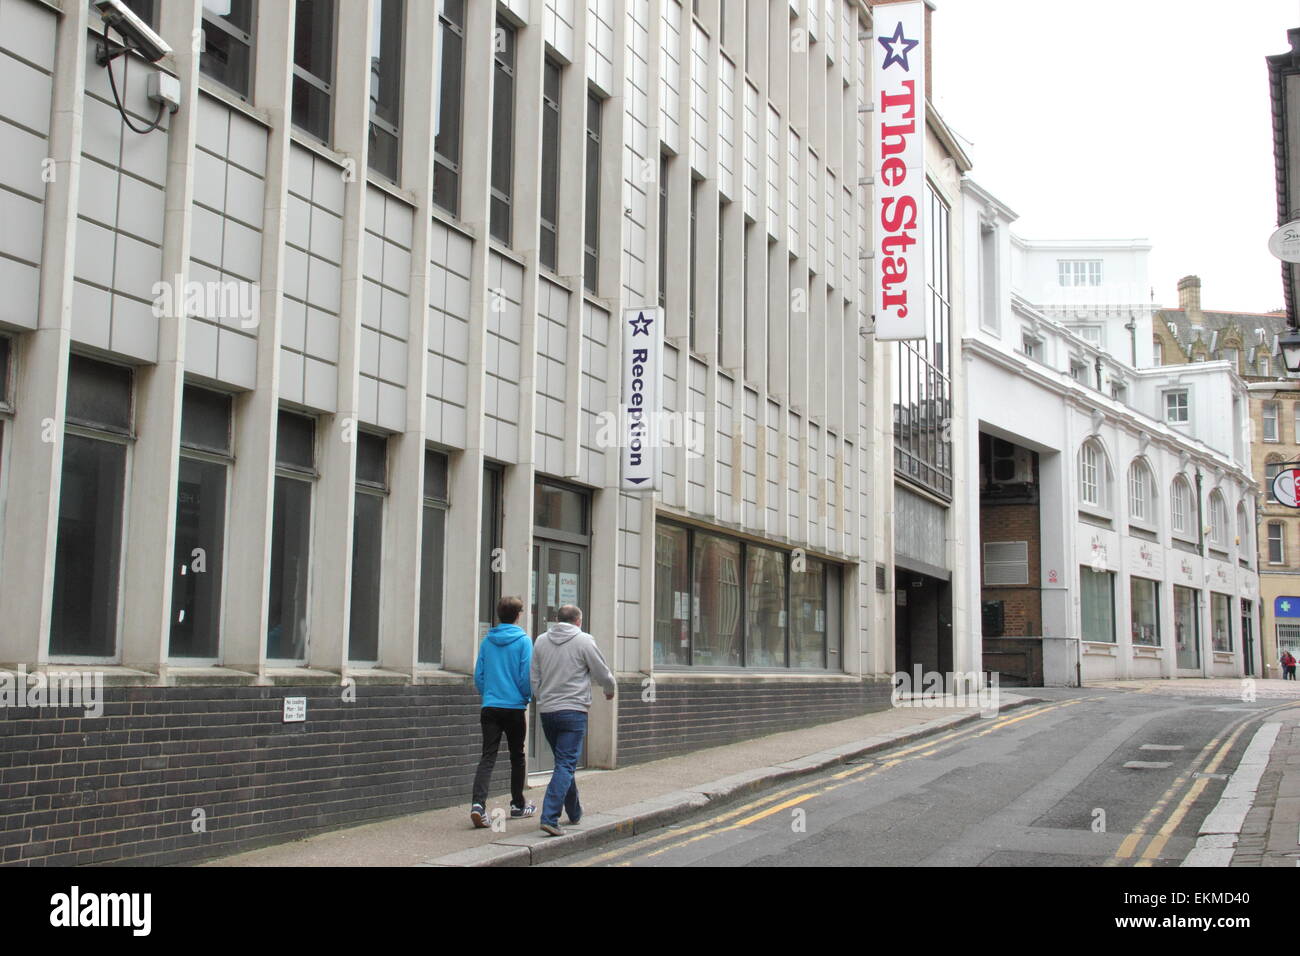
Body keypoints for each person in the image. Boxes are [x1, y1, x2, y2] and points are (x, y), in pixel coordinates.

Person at [530, 604, 616, 836]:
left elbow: (534, 675)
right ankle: (549, 817)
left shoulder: (540, 641)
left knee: (563, 762)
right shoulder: (584, 640)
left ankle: (575, 812)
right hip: (574, 710)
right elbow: (601, 671)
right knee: (566, 764)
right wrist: (609, 689)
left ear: (558, 619)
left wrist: (542, 697)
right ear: (578, 621)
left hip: (548, 711)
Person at [470, 596, 535, 828]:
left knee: (488, 756)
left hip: (490, 707)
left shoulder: (487, 642)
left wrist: (488, 694)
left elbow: (479, 676)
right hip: (514, 707)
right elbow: (525, 676)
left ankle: (478, 805)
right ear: (518, 615)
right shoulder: (524, 641)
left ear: (499, 615)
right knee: (517, 756)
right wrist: (525, 697)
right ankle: (518, 805)